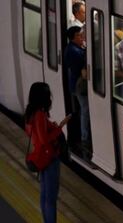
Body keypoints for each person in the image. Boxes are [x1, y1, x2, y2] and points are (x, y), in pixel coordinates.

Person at [24, 82, 71, 223]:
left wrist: (51, 127)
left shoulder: (31, 113)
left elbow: (35, 135)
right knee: (50, 198)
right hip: (49, 158)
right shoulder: (39, 115)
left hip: (42, 157)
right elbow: (45, 140)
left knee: (45, 195)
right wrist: (60, 126)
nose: (50, 97)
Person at [63, 26, 90, 146]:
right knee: (85, 109)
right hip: (79, 86)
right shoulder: (73, 51)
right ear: (74, 38)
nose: (82, 37)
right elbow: (82, 66)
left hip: (78, 85)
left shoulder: (76, 47)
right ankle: (85, 136)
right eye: (80, 35)